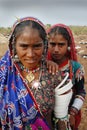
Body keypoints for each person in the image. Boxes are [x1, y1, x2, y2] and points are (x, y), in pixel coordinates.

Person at [0, 17, 73, 130]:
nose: (30, 54)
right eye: (24, 46)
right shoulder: (4, 73)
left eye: (37, 46)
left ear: (44, 45)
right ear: (13, 45)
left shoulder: (53, 73)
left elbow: (61, 118)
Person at [47, 23, 86, 130]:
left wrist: (72, 113)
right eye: (52, 44)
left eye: (61, 45)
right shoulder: (42, 66)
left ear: (68, 45)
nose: (56, 49)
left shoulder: (75, 68)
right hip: (45, 119)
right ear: (47, 44)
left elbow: (81, 92)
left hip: (67, 117)